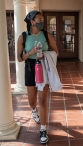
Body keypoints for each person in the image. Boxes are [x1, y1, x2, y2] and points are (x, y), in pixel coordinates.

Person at [17, 10, 59, 144]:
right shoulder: (23, 37)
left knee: (42, 100)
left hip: (43, 66)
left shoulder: (47, 35)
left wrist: (44, 54)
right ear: (32, 22)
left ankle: (43, 129)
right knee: (32, 101)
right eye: (39, 20)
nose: (42, 22)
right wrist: (31, 52)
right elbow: (20, 58)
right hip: (30, 67)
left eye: (43, 20)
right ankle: (34, 111)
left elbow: (56, 52)